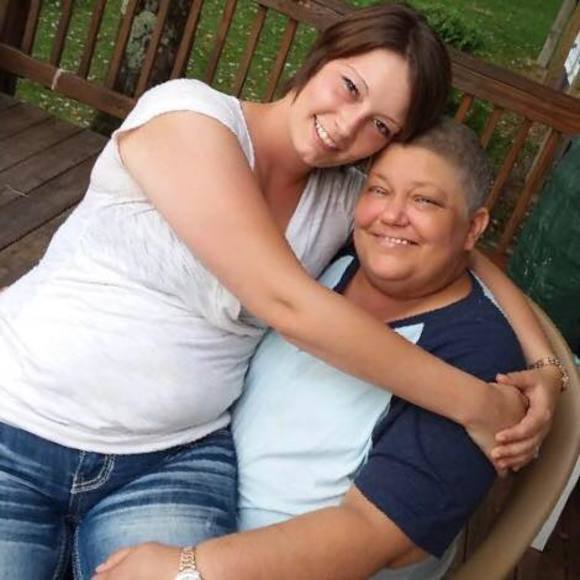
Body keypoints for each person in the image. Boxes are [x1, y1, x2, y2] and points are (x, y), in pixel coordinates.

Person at [0, 3, 562, 579]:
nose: (348, 126)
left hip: (172, 457)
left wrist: (547, 363)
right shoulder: (188, 117)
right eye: (350, 88)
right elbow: (286, 302)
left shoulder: (342, 200)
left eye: (380, 126)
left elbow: (451, 239)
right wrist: (477, 403)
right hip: (19, 420)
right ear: (321, 57)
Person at [91, 119, 545, 580]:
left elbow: (373, 535)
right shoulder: (334, 251)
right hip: (180, 490)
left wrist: (188, 568)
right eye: (379, 190)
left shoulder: (481, 359)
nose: (392, 215)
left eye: (424, 200)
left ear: (473, 227)